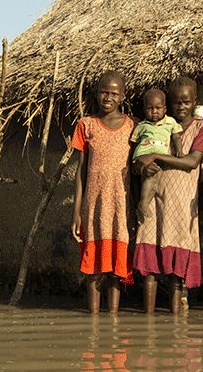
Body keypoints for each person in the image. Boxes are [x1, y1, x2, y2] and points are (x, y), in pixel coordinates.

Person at [133, 77, 203, 314]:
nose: (181, 107)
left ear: (194, 102)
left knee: (177, 270)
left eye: (186, 102)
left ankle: (175, 318)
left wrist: (157, 158)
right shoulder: (158, 125)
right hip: (155, 198)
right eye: (176, 102)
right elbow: (138, 160)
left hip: (182, 202)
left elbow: (191, 161)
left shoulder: (201, 127)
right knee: (151, 267)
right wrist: (143, 166)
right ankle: (149, 319)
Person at [71, 70, 134, 314]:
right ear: (97, 94)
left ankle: (114, 319)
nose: (108, 97)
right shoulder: (86, 125)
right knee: (93, 266)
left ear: (123, 97)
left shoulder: (132, 126)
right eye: (103, 92)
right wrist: (76, 212)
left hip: (120, 204)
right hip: (94, 205)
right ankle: (94, 320)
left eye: (114, 93)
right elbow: (81, 172)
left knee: (116, 268)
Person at [131, 89, 184, 221]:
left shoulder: (170, 122)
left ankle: (143, 204)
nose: (154, 112)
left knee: (154, 178)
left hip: (157, 156)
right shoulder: (141, 126)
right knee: (151, 175)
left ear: (165, 109)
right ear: (144, 109)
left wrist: (179, 150)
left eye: (158, 108)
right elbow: (133, 144)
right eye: (150, 108)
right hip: (143, 154)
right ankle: (143, 203)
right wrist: (134, 160)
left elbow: (176, 137)